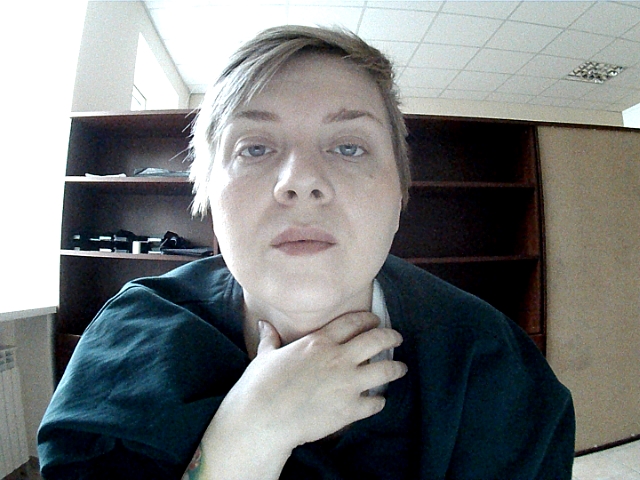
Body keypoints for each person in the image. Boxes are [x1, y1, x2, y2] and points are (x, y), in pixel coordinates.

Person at [38, 26, 575, 479]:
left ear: (399, 198)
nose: (300, 181)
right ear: (207, 198)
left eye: (349, 146)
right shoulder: (129, 342)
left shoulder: (496, 371)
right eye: (254, 148)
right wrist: (245, 441)